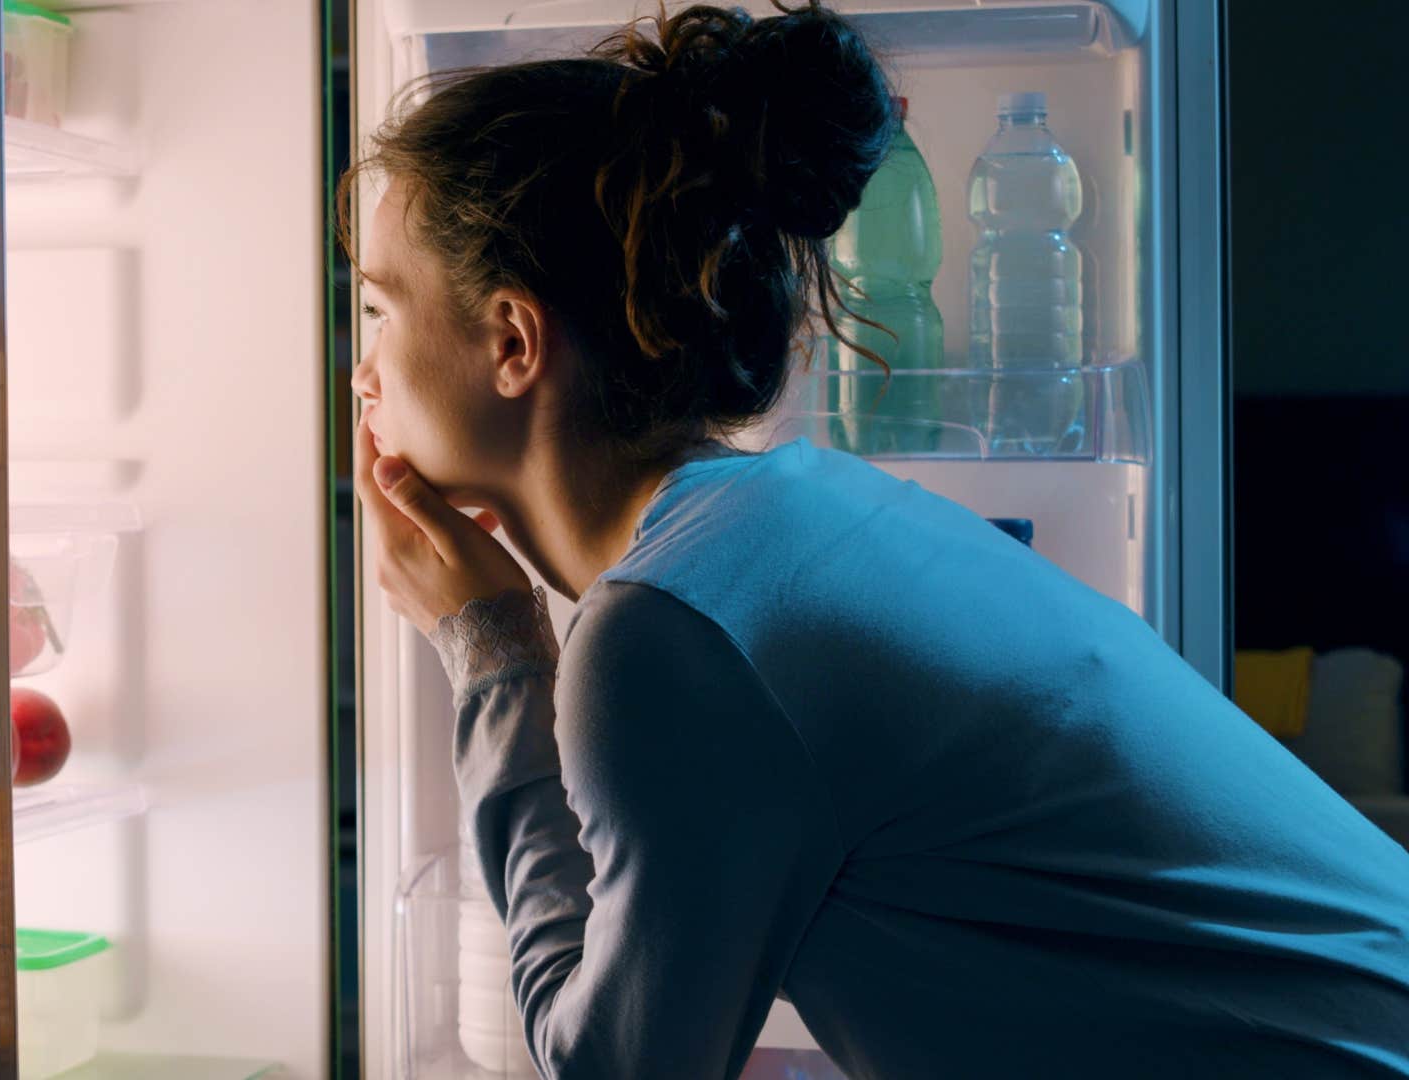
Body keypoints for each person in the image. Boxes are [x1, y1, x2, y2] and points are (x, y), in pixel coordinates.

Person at [342, 3, 1409, 1078]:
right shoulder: (800, 514)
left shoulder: (669, 639)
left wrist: (491, 653)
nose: (362, 372)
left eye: (382, 309)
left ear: (513, 342)